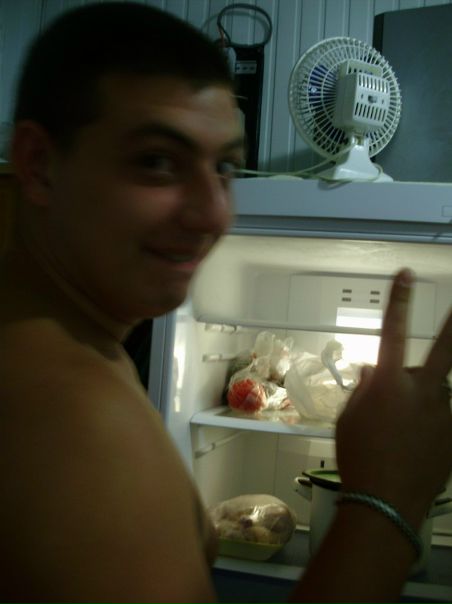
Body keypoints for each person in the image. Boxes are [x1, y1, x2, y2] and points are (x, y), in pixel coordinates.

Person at [0, 3, 450, 603]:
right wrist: (389, 497)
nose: (214, 212)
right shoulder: (70, 418)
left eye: (225, 167)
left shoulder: (72, 345)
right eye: (157, 161)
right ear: (39, 165)